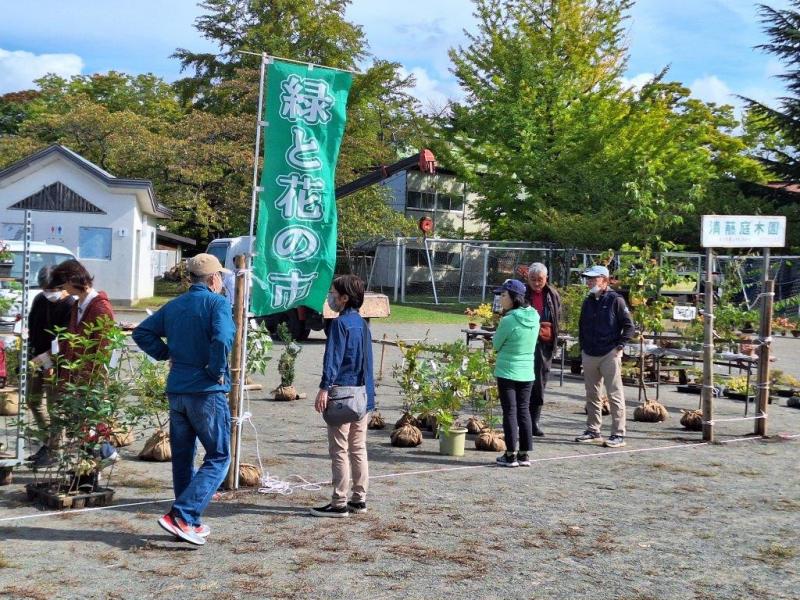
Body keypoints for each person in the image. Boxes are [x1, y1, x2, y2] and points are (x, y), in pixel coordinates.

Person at [133, 253, 235, 545]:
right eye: (221, 278)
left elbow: (142, 333)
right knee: (218, 455)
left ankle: (187, 521)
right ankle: (183, 515)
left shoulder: (175, 305)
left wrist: (167, 354)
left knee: (183, 456)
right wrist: (216, 369)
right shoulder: (217, 303)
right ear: (214, 279)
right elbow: (224, 338)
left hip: (177, 389)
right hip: (206, 391)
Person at [312, 274, 375, 517]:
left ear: (345, 298)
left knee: (339, 449)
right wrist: (370, 397)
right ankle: (359, 499)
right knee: (358, 448)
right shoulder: (362, 324)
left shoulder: (340, 324)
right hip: (362, 395)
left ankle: (339, 502)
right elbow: (367, 363)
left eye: (334, 294)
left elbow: (333, 359)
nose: (331, 298)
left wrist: (324, 388)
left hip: (343, 394)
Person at [574, 265, 635, 448]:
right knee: (592, 394)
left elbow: (629, 326)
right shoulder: (588, 300)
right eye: (588, 279)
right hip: (590, 352)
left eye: (594, 278)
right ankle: (593, 430)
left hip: (609, 353)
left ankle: (618, 434)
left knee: (614, 394)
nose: (590, 282)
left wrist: (620, 346)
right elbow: (581, 325)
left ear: (605, 280)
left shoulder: (616, 300)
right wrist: (583, 347)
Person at [26, 265, 75, 467]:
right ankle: (47, 443)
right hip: (37, 358)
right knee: (33, 401)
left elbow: (65, 340)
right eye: (45, 289)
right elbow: (32, 327)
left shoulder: (70, 304)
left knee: (55, 407)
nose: (49, 294)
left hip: (58, 361)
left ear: (62, 287)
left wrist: (50, 362)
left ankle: (54, 450)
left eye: (53, 290)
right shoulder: (39, 300)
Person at [492, 278, 539, 467]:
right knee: (524, 411)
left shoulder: (508, 320)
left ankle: (510, 454)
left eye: (503, 295)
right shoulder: (535, 315)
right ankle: (524, 454)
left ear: (513, 297)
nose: (501, 299)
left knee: (510, 412)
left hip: (507, 370)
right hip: (527, 371)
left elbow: (496, 345)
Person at [524, 262, 561, 437]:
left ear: (546, 278)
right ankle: (522, 420)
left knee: (540, 382)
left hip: (544, 344)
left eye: (540, 279)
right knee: (523, 382)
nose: (537, 283)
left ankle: (534, 421)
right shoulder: (522, 293)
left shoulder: (552, 294)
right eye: (533, 279)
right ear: (528, 278)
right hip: (524, 343)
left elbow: (557, 319)